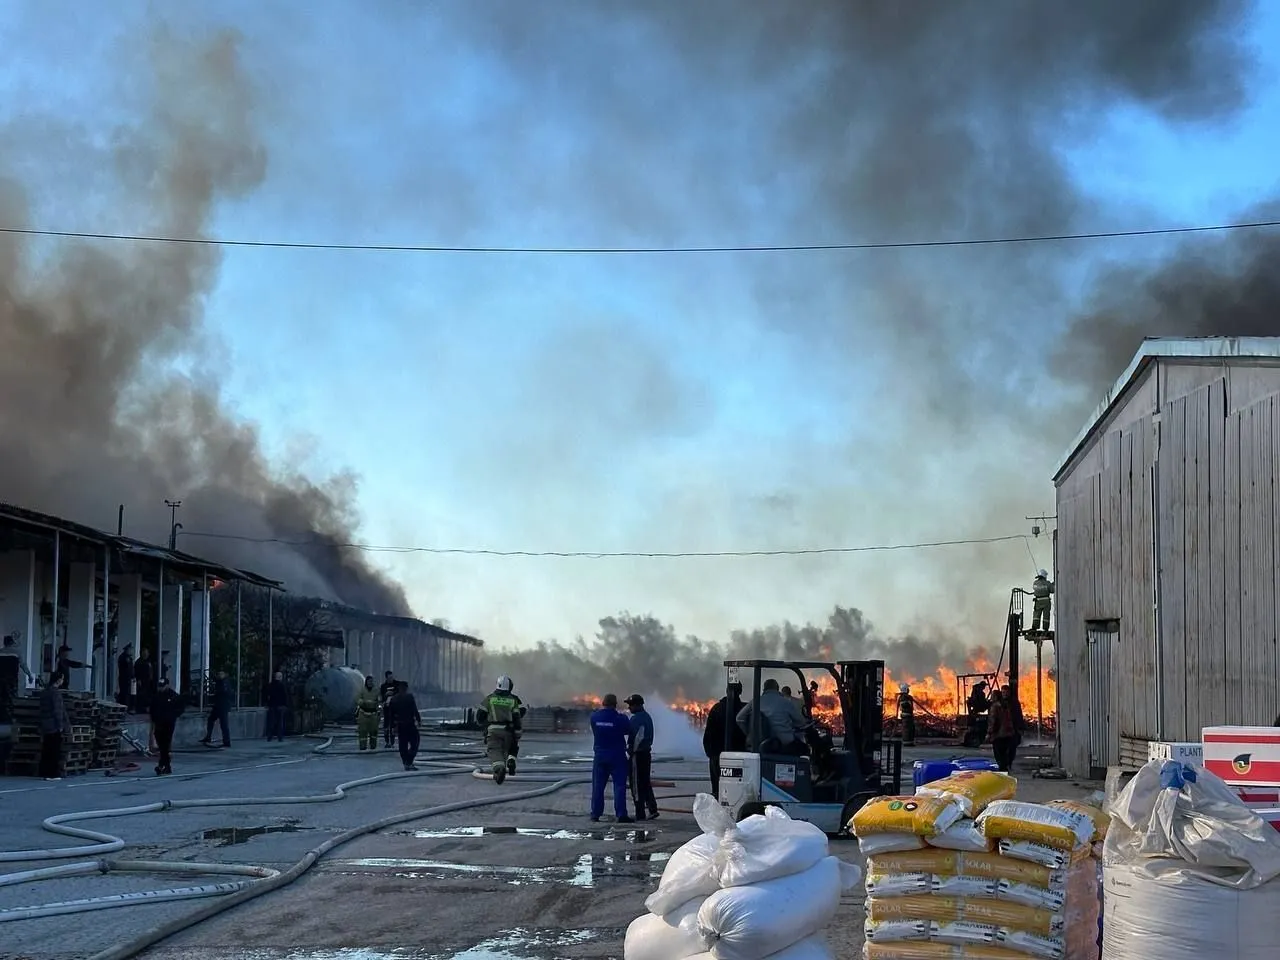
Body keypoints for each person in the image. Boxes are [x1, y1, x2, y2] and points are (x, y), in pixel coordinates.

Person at [589, 694, 633, 823]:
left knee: (598, 786)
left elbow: (595, 730)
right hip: (617, 756)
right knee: (619, 786)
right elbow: (628, 730)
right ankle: (621, 815)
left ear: (603, 703)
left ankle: (595, 814)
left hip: (600, 756)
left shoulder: (594, 717)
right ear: (615, 704)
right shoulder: (621, 719)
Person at [736, 678, 810, 755]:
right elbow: (801, 722)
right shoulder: (785, 702)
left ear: (764, 689)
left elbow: (739, 719)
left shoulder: (756, 701)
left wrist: (750, 734)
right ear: (777, 689)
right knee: (805, 749)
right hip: (784, 744)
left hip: (760, 744)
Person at [476, 676, 522, 784]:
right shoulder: (513, 700)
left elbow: (479, 716)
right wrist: (518, 732)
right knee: (509, 749)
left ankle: (499, 769)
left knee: (494, 751)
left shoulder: (490, 699)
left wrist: (484, 725)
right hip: (508, 731)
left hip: (493, 731)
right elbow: (517, 718)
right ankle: (511, 760)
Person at [703, 682, 746, 798]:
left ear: (727, 690)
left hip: (718, 756)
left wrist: (712, 755)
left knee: (718, 790)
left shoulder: (717, 709)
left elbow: (708, 735)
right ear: (740, 691)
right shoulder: (745, 710)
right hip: (741, 757)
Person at [624, 694, 659, 821]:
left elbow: (637, 738)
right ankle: (652, 809)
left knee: (636, 785)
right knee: (645, 782)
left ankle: (640, 814)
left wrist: (631, 751)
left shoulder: (636, 719)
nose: (629, 708)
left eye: (631, 705)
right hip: (646, 754)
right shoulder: (647, 717)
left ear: (638, 705)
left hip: (637, 756)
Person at [150, 676, 185, 775]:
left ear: (167, 685)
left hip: (168, 723)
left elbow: (181, 707)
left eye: (162, 686)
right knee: (161, 746)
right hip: (158, 723)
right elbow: (152, 709)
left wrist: (174, 715)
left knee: (165, 745)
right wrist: (153, 720)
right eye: (159, 686)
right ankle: (164, 766)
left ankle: (164, 766)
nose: (160, 688)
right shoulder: (156, 696)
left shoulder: (173, 695)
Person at [38, 672, 68, 781]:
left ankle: (44, 772)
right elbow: (58, 710)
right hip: (54, 725)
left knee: (46, 749)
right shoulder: (55, 693)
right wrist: (60, 725)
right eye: (62, 678)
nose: (62, 681)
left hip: (45, 724)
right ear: (58, 680)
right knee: (54, 750)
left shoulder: (44, 692)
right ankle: (53, 773)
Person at [990, 685, 1024, 772]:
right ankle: (1004, 765)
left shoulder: (1013, 703)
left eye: (1006, 692)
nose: (1004, 694)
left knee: (1009, 749)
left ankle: (1006, 765)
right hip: (1002, 731)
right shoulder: (1000, 704)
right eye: (1003, 692)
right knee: (1001, 750)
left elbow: (1018, 716)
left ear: (1009, 692)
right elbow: (994, 719)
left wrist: (1020, 727)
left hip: (1009, 731)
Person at [389, 680, 421, 770]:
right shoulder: (409, 697)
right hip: (410, 724)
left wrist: (392, 727)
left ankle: (406, 762)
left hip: (400, 725)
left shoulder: (394, 699)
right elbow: (414, 709)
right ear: (406, 688)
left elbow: (391, 715)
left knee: (402, 745)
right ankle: (409, 760)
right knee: (415, 742)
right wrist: (419, 720)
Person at [200, 669, 232, 748]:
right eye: (218, 674)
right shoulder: (220, 682)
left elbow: (225, 692)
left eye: (221, 674)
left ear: (224, 675)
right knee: (211, 719)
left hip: (223, 706)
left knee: (224, 724)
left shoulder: (224, 682)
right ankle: (208, 737)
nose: (219, 676)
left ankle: (227, 741)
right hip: (218, 705)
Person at [964, 680, 991, 748]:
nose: (985, 687)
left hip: (975, 706)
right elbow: (982, 701)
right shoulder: (981, 693)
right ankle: (992, 715)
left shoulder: (974, 690)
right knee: (990, 704)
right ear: (982, 686)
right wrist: (988, 702)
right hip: (979, 706)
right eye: (984, 686)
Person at [265, 670, 288, 741]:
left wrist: (268, 704)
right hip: (280, 706)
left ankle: (269, 736)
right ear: (280, 677)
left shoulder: (270, 685)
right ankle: (280, 737)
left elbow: (267, 695)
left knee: (271, 722)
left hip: (272, 705)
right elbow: (285, 696)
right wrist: (285, 704)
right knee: (280, 722)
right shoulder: (282, 685)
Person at [379, 671, 398, 748]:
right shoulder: (383, 686)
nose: (391, 679)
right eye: (389, 677)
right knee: (386, 726)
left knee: (393, 725)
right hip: (386, 708)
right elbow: (381, 697)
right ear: (386, 678)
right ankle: (387, 741)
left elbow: (398, 693)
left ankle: (392, 742)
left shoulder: (396, 684)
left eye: (392, 677)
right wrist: (385, 696)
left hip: (394, 709)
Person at [133, 648, 154, 714]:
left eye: (147, 653)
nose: (146, 654)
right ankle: (140, 709)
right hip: (142, 681)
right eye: (144, 653)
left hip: (148, 681)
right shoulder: (139, 662)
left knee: (147, 695)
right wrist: (138, 679)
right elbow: (136, 672)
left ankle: (145, 708)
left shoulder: (148, 661)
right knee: (141, 695)